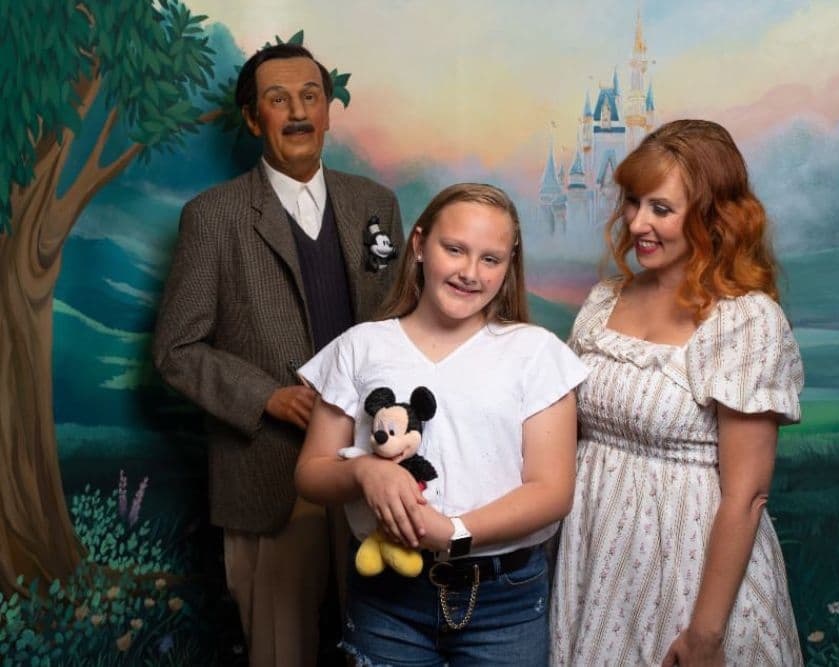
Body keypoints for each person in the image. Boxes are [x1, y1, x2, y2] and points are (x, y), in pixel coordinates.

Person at [152, 43, 403, 667]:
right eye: (277, 99)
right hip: (270, 474)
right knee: (280, 650)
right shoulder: (212, 217)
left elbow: (401, 321)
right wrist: (267, 396)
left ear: (327, 112)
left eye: (310, 97)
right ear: (251, 119)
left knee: (381, 643)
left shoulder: (375, 204)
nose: (297, 112)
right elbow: (177, 349)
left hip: (377, 465)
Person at [294, 183, 587, 666]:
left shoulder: (536, 353)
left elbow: (552, 491)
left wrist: (453, 533)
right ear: (419, 245)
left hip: (504, 599)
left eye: (491, 259)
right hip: (387, 597)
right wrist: (365, 471)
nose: (470, 273)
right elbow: (310, 474)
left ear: (509, 265)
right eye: (455, 249)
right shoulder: (362, 346)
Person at [550, 119, 805, 666]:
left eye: (660, 209)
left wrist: (705, 636)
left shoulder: (745, 321)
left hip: (692, 575)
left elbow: (747, 496)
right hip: (596, 561)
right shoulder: (602, 300)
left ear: (713, 216)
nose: (637, 222)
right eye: (632, 202)